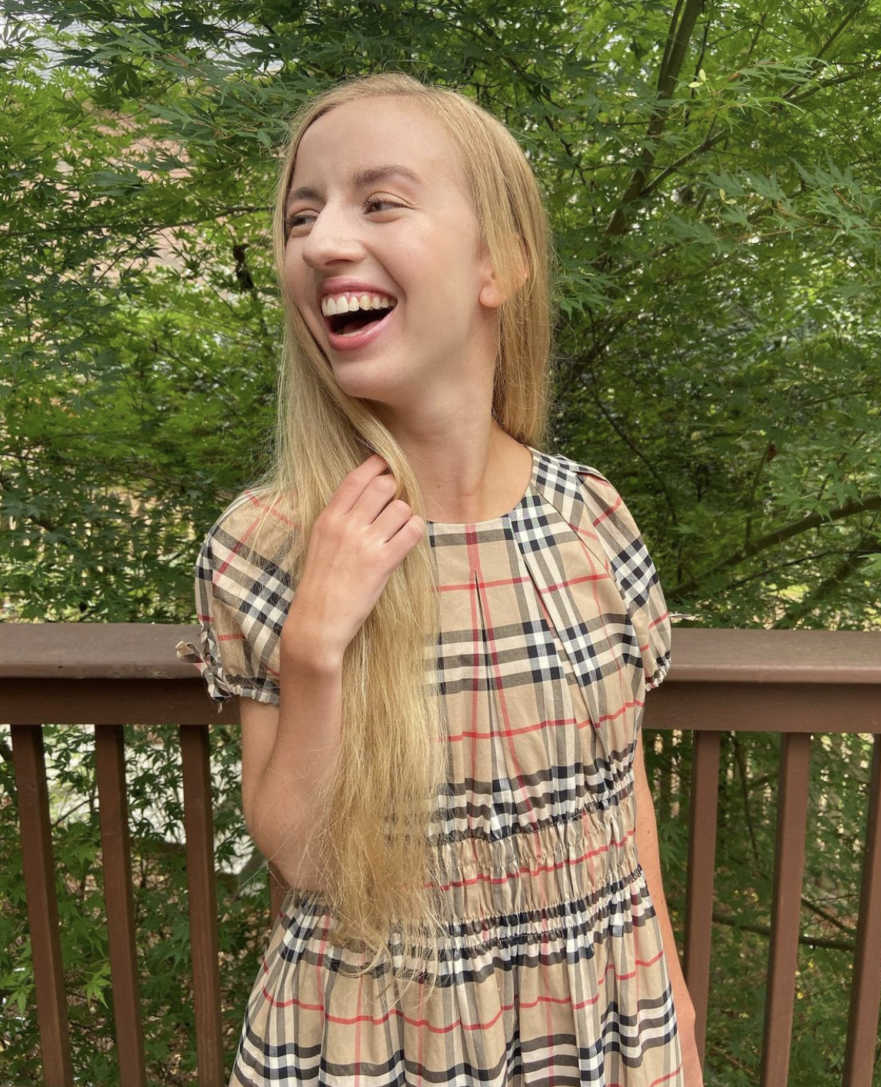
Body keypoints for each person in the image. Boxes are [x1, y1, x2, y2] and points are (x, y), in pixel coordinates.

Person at [179, 71, 703, 1086]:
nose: (324, 240)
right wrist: (316, 646)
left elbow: (620, 788)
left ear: (495, 264)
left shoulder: (587, 516)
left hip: (603, 1017)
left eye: (378, 201)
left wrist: (671, 993)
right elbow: (311, 866)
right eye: (302, 214)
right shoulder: (269, 541)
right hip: (376, 1043)